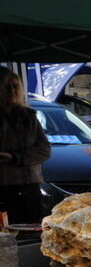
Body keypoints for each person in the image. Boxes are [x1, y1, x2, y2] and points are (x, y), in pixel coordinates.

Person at [0, 66, 51, 224]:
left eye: (15, 86)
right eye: (6, 86)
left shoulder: (28, 116)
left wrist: (15, 157)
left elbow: (44, 151)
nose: (12, 91)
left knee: (31, 235)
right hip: (2, 189)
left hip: (29, 188)